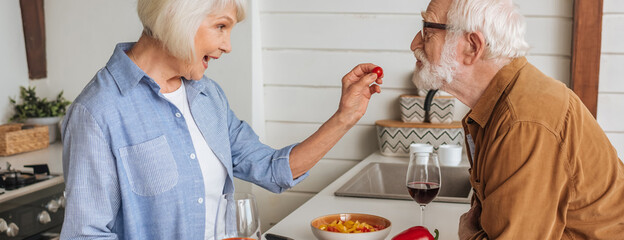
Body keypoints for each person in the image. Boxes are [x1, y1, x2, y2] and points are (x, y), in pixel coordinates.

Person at [59, 0, 383, 239]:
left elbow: (274, 169)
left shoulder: (207, 96)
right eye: (221, 26)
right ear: (179, 17)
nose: (227, 46)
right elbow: (85, 234)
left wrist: (346, 116)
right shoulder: (97, 112)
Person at [409, 0, 624, 239]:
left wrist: (468, 233)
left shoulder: (523, 121)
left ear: (472, 47)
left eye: (427, 31)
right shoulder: (500, 104)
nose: (415, 44)